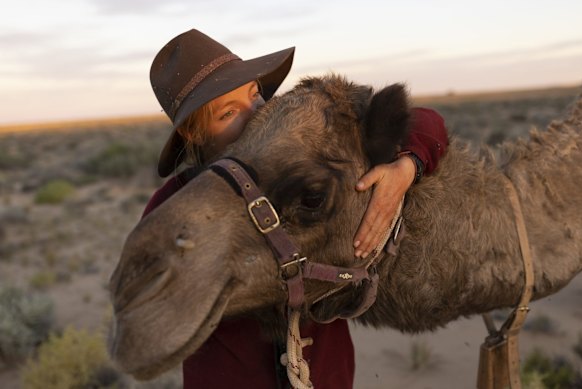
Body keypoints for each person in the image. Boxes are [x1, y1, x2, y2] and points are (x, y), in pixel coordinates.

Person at [144, 29, 448, 389]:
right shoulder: (171, 207)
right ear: (194, 134)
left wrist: (407, 166)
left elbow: (427, 121)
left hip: (328, 376)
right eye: (228, 112)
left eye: (255, 95)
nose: (257, 113)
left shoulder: (305, 163)